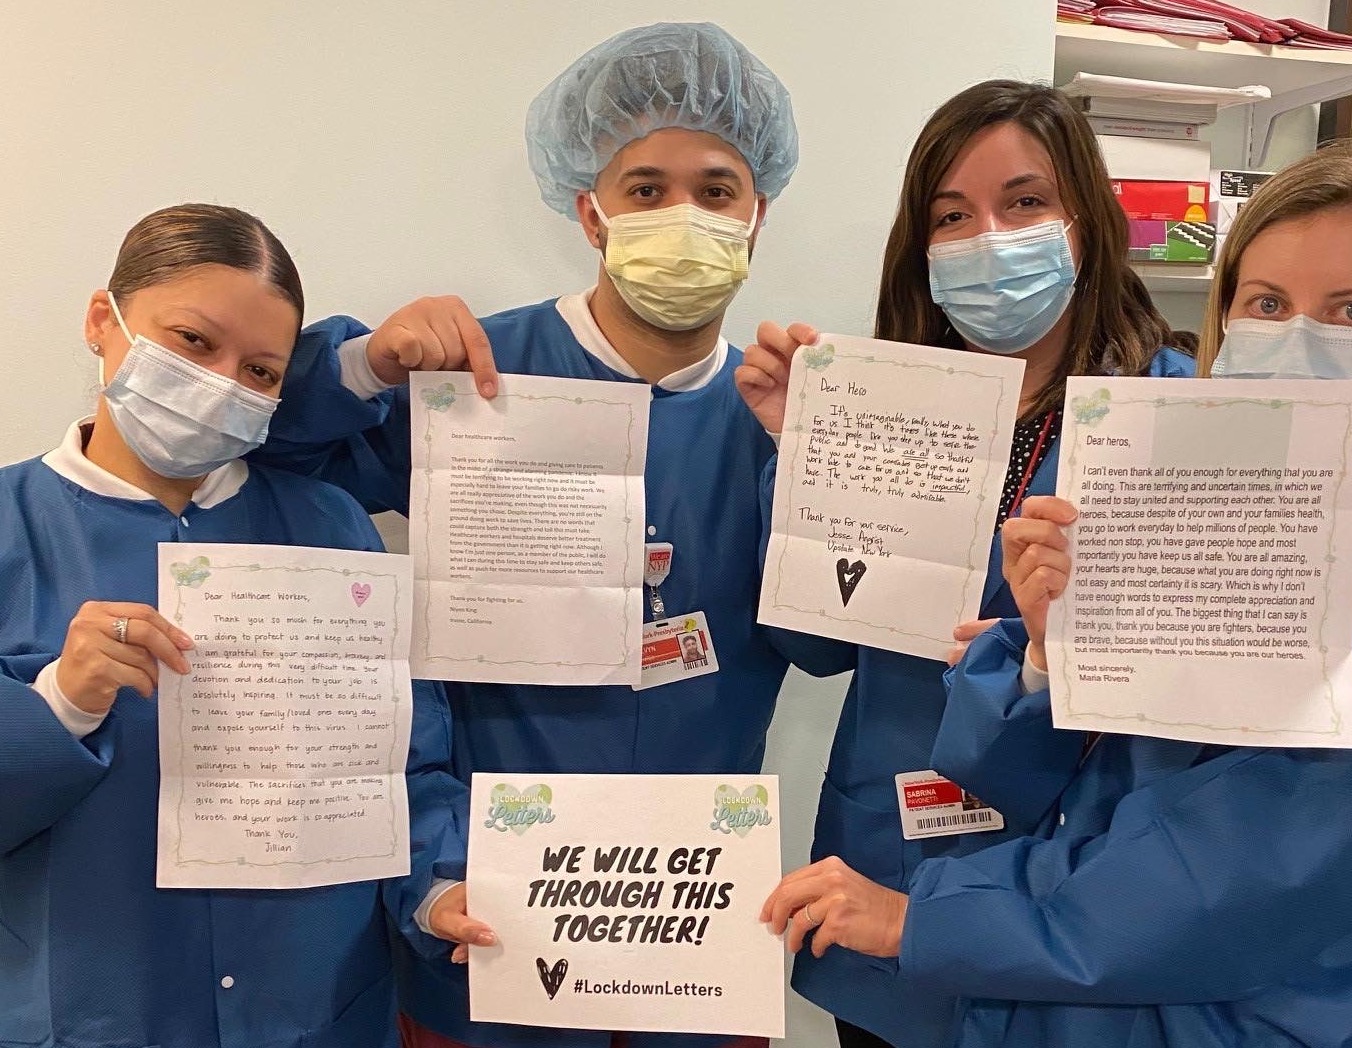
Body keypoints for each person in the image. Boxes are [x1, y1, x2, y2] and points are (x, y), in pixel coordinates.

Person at [760, 142, 1352, 1048]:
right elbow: (1052, 786)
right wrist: (1042, 658)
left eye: (1351, 311)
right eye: (1267, 305)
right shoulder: (1189, 510)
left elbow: (1241, 875)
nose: (1297, 338)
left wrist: (925, 920)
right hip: (1067, 999)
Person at [248, 22, 799, 1048]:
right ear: (590, 212)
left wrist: (818, 467)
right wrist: (363, 364)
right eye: (644, 188)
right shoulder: (471, 374)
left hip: (693, 926)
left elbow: (826, 641)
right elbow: (264, 460)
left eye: (715, 190)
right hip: (484, 911)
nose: (681, 213)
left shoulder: (779, 410)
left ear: (757, 211)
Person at [733, 80, 1192, 1048]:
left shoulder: (1173, 419)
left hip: (1073, 883)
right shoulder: (892, 399)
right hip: (888, 867)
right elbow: (810, 645)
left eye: (1023, 203)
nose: (988, 237)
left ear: (1086, 220)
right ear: (919, 245)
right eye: (951, 215)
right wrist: (802, 455)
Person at [0, 203, 463, 1048]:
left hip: (316, 1009)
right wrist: (57, 702)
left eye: (259, 371)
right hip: (91, 1012)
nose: (221, 384)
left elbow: (402, 753)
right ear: (104, 320)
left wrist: (438, 890)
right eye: (192, 342)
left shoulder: (330, 524)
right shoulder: (8, 525)